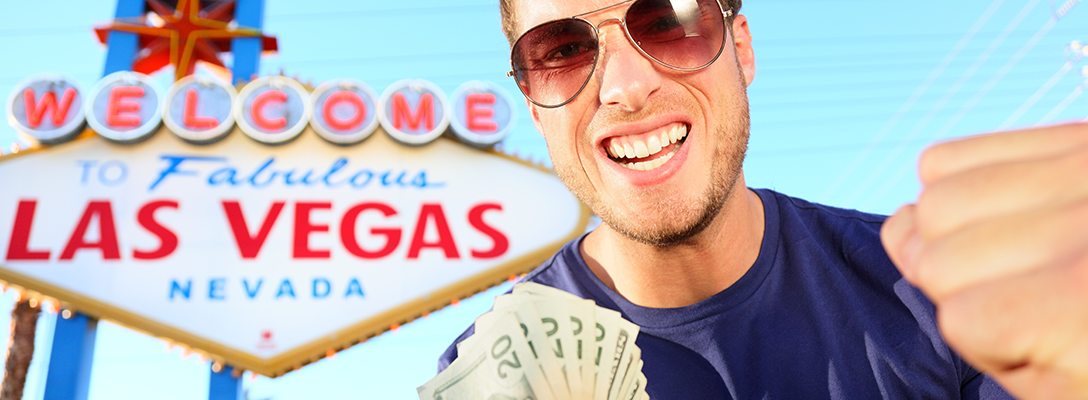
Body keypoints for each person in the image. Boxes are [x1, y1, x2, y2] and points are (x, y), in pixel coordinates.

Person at [438, 0, 1088, 398]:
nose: (626, 87)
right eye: (564, 51)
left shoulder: (933, 297)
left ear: (741, 49)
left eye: (669, 22)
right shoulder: (502, 376)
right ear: (534, 106)